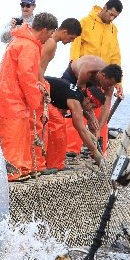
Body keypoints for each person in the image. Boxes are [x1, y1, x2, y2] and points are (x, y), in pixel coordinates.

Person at [0, 12, 58, 182]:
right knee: (12, 140)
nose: (50, 38)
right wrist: (35, 101)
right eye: (50, 33)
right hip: (11, 102)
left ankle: (22, 168)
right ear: (44, 30)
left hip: (8, 100)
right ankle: (13, 172)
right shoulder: (28, 45)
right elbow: (26, 76)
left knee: (18, 139)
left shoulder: (20, 41)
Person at [69, 0, 124, 153]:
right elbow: (75, 46)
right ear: (105, 8)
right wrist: (73, 66)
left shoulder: (114, 30)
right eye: (111, 14)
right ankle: (72, 149)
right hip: (84, 73)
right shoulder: (85, 22)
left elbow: (115, 56)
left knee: (101, 113)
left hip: (105, 77)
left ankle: (98, 147)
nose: (112, 18)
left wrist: (119, 83)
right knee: (76, 108)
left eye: (116, 17)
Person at [32, 17, 82, 174]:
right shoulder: (52, 43)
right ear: (65, 32)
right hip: (37, 86)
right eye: (71, 38)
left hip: (37, 85)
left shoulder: (49, 42)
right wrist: (42, 88)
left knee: (53, 123)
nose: (70, 42)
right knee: (53, 124)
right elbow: (38, 68)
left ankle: (50, 162)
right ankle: (45, 164)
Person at [44, 77, 105, 170]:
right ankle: (54, 164)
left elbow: (80, 125)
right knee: (58, 125)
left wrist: (90, 135)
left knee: (57, 120)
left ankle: (52, 161)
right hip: (40, 89)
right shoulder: (76, 99)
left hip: (43, 89)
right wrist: (95, 152)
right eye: (93, 107)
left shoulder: (76, 93)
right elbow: (80, 129)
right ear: (88, 100)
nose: (91, 110)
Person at [61, 56, 123, 148]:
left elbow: (105, 107)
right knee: (64, 106)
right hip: (73, 75)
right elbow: (79, 99)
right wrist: (91, 117)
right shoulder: (87, 71)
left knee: (93, 118)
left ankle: (91, 146)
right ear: (103, 76)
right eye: (109, 84)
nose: (109, 87)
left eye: (112, 85)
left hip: (91, 81)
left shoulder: (109, 84)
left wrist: (98, 129)